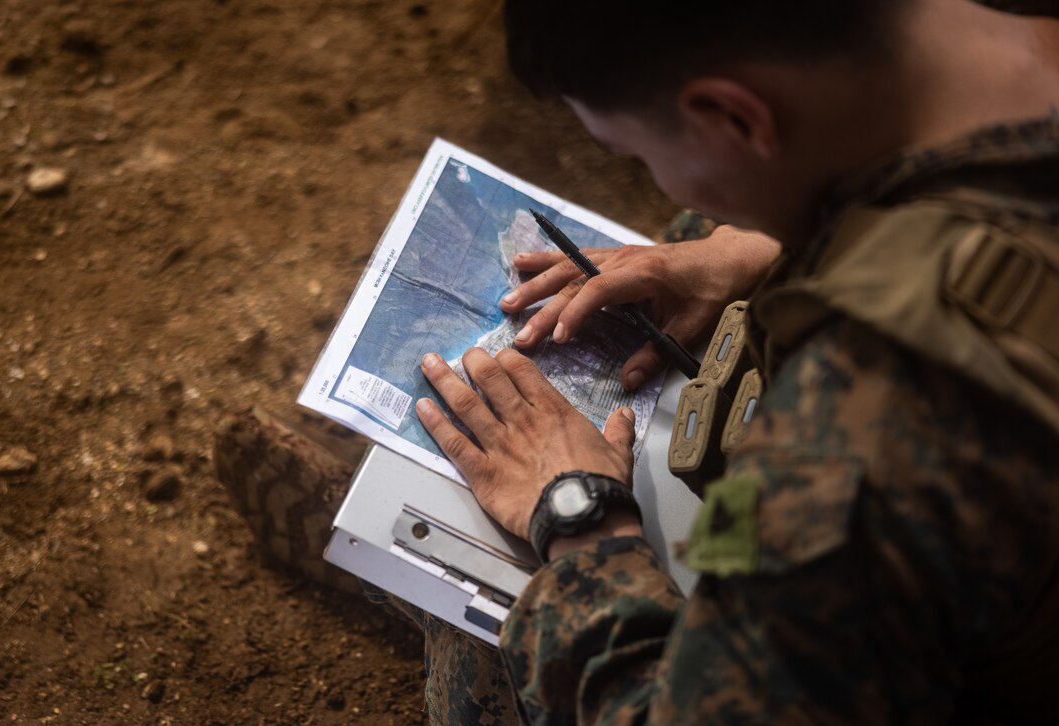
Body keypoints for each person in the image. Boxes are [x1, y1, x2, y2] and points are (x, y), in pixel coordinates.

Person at [407, 0, 1059, 723]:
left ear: (738, 117)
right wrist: (750, 245)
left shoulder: (866, 419)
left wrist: (582, 521)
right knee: (700, 241)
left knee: (508, 627)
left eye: (639, 156)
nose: (661, 180)